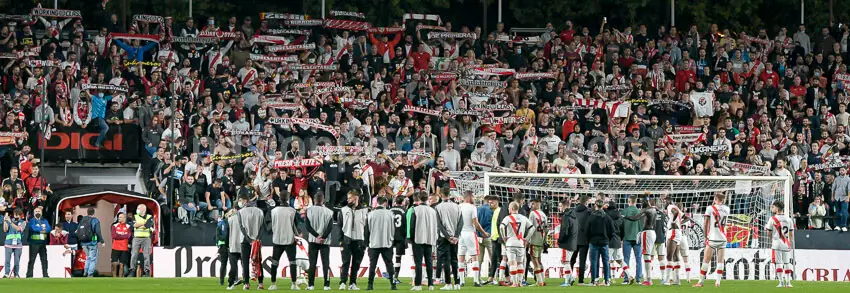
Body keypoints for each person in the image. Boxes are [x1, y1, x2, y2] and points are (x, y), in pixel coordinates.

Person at [694, 192, 730, 288]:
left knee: (706, 261)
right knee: (720, 261)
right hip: (723, 238)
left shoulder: (710, 208)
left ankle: (700, 282)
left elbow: (706, 223)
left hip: (713, 238)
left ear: (716, 199)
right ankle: (717, 282)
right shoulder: (727, 209)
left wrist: (705, 236)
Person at [624, 196, 658, 286]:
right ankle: (647, 278)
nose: (641, 204)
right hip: (653, 233)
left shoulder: (646, 210)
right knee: (646, 257)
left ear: (645, 202)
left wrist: (625, 216)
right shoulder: (654, 210)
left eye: (642, 202)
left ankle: (648, 279)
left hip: (647, 233)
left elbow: (635, 218)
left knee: (646, 257)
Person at [364, 196, 397, 290]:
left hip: (374, 243)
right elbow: (393, 229)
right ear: (385, 203)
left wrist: (366, 243)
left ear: (377, 203)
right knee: (390, 265)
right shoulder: (390, 214)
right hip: (387, 243)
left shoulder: (370, 214)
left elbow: (367, 230)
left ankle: (370, 285)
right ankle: (393, 285)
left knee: (372, 265)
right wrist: (392, 241)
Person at [457, 191, 488, 287]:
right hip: (470, 233)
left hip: (460, 234)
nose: (474, 199)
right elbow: (475, 222)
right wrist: (484, 233)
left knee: (461, 256)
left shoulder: (458, 207)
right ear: (469, 197)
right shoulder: (472, 207)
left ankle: (461, 281)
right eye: (473, 197)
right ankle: (476, 281)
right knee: (474, 256)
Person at [339, 190, 368, 290]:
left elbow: (367, 227)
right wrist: (340, 240)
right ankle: (342, 282)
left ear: (356, 198)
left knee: (356, 263)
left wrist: (366, 241)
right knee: (345, 262)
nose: (348, 200)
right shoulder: (343, 210)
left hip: (360, 240)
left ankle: (353, 283)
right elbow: (339, 226)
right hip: (347, 239)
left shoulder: (365, 210)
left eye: (350, 198)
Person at [409, 192, 438, 291]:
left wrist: (411, 238)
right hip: (429, 238)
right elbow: (436, 225)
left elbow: (412, 226)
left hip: (418, 239)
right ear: (427, 199)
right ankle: (431, 284)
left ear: (419, 199)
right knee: (429, 262)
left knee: (418, 262)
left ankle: (418, 284)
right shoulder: (432, 211)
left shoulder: (415, 210)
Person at [235, 194, 265, 290]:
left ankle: (246, 283)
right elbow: (263, 227)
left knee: (245, 262)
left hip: (245, 240)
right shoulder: (260, 211)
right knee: (258, 261)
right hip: (257, 240)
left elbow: (241, 227)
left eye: (240, 200)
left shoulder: (240, 212)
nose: (240, 202)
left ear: (245, 200)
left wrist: (249, 239)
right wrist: (257, 239)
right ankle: (260, 283)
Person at [499, 201, 532, 288]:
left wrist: (504, 237)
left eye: (509, 208)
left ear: (512, 208)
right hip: (520, 243)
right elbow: (532, 228)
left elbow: (501, 226)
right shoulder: (523, 218)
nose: (508, 209)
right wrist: (527, 238)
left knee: (512, 263)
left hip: (510, 243)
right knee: (520, 263)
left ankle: (514, 283)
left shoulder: (508, 218)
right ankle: (520, 282)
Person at [268, 199, 299, 290]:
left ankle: (273, 284)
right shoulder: (292, 211)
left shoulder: (274, 211)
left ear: (280, 199)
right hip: (289, 240)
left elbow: (270, 224)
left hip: (277, 239)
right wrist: (297, 234)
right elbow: (295, 225)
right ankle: (293, 284)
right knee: (292, 262)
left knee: (274, 262)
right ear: (287, 199)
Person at [305, 193, 334, 290]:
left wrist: (317, 236)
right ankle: (326, 285)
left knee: (312, 263)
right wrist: (323, 237)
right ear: (323, 200)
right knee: (326, 263)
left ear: (314, 199)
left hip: (313, 241)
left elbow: (307, 227)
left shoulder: (308, 210)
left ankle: (311, 285)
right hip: (325, 242)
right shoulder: (329, 212)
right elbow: (330, 227)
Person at [434, 189, 461, 290]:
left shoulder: (438, 207)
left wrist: (447, 237)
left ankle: (448, 283)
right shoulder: (457, 206)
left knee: (446, 260)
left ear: (441, 195)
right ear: (449, 195)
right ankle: (457, 283)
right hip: (455, 237)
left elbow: (439, 224)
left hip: (444, 237)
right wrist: (456, 236)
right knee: (454, 259)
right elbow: (461, 222)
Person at [765, 200, 795, 288]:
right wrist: (790, 241)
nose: (772, 209)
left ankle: (781, 282)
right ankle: (788, 283)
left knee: (778, 263)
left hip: (777, 243)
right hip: (786, 243)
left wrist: (771, 238)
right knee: (786, 263)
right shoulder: (788, 219)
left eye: (773, 207)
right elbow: (791, 233)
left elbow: (769, 232)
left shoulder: (772, 219)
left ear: (777, 208)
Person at [586, 199, 614, 286]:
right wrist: (607, 239)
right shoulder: (607, 217)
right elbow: (612, 231)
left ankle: (594, 280)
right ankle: (607, 280)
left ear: (595, 205)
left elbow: (586, 230)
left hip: (593, 242)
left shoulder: (591, 217)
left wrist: (589, 239)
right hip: (604, 242)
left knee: (594, 262)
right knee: (606, 261)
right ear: (602, 206)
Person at [621, 195, 643, 284]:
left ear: (628, 201)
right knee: (638, 259)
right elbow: (642, 227)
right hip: (637, 239)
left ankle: (626, 279)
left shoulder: (624, 211)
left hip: (626, 238)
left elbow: (621, 225)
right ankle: (638, 279)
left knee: (626, 259)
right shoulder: (640, 212)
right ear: (636, 202)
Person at [527, 198, 548, 287]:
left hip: (534, 240)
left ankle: (539, 281)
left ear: (536, 204)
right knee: (539, 260)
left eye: (533, 204)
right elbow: (546, 230)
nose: (531, 206)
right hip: (541, 240)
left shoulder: (532, 213)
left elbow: (531, 228)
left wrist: (527, 239)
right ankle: (542, 280)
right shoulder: (544, 215)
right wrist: (544, 241)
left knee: (535, 261)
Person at [24, 206, 50, 278]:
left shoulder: (45, 220)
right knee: (32, 260)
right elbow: (33, 228)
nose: (37, 213)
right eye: (36, 212)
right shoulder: (31, 221)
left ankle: (45, 275)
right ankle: (29, 275)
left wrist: (41, 229)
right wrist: (42, 229)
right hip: (33, 243)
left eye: (39, 211)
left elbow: (48, 228)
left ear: (41, 213)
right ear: (33, 213)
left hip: (43, 243)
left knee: (44, 260)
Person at [129, 204, 154, 277]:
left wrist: (139, 224)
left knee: (146, 255)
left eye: (138, 208)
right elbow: (133, 225)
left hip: (146, 238)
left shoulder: (149, 217)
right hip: (136, 238)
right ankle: (132, 271)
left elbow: (148, 225)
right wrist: (143, 223)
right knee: (134, 255)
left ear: (143, 209)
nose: (137, 209)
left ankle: (147, 272)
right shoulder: (135, 216)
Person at [79, 207, 105, 277]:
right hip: (92, 242)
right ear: (94, 213)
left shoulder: (82, 220)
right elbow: (98, 232)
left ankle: (85, 272)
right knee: (93, 259)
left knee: (88, 257)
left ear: (87, 212)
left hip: (84, 243)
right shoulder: (95, 220)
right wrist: (102, 241)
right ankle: (90, 274)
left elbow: (78, 231)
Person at [557, 198, 577, 287]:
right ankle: (571, 278)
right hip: (573, 242)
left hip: (567, 242)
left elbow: (565, 230)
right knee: (566, 261)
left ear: (565, 206)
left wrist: (560, 240)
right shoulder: (574, 215)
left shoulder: (566, 216)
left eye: (560, 206)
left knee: (566, 262)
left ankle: (567, 281)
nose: (559, 208)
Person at [389, 195, 408, 284]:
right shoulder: (404, 211)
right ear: (402, 202)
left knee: (388, 257)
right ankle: (395, 277)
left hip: (390, 236)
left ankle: (390, 274)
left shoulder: (389, 210)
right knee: (398, 258)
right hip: (400, 236)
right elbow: (406, 225)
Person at [3, 208, 25, 278]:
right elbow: (5, 229)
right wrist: (5, 220)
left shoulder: (23, 222)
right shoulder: (10, 221)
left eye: (18, 215)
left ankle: (16, 274)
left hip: (18, 244)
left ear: (21, 215)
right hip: (8, 243)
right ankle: (6, 274)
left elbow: (18, 229)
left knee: (17, 261)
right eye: (15, 214)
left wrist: (10, 222)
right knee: (7, 260)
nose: (16, 216)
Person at [111, 212, 131, 278]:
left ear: (124, 218)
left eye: (120, 217)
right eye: (118, 217)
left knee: (122, 265)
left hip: (124, 248)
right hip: (115, 247)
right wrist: (123, 236)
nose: (119, 218)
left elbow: (128, 236)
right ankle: (114, 278)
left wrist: (119, 236)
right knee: (114, 264)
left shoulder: (128, 226)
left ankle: (120, 279)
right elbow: (114, 236)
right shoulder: (114, 225)